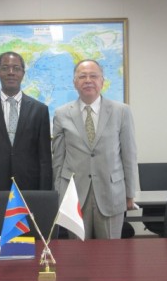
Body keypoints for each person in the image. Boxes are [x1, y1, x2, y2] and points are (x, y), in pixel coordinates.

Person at [52, 59, 139, 239]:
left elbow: (129, 156)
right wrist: (59, 194)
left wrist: (130, 194)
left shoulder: (121, 111)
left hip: (111, 194)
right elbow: (58, 159)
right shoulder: (61, 114)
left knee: (109, 257)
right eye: (82, 76)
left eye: (94, 76)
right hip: (74, 196)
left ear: (102, 81)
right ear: (75, 82)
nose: (88, 80)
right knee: (77, 257)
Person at [0, 51, 53, 205]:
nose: (11, 72)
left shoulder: (40, 110)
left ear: (23, 73)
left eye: (16, 68)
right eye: (5, 68)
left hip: (31, 190)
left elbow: (44, 160)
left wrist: (45, 195)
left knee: (30, 230)